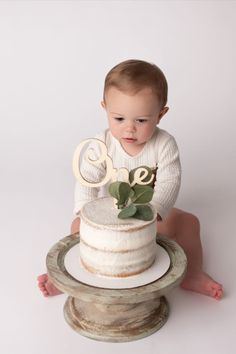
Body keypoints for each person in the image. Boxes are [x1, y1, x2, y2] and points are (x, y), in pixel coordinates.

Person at [38, 59, 223, 300]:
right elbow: (87, 180)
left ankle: (194, 273)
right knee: (77, 228)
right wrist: (84, 211)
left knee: (189, 223)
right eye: (119, 119)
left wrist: (155, 210)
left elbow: (169, 181)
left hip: (147, 215)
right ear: (105, 108)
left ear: (161, 114)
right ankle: (66, 278)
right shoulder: (101, 143)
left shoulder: (164, 144)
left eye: (141, 120)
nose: (129, 129)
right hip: (110, 214)